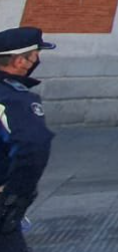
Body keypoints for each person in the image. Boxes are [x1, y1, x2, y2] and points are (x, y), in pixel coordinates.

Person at [0, 28, 55, 252]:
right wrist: (14, 198)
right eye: (35, 55)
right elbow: (33, 145)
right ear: (20, 61)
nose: (37, 60)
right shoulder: (14, 98)